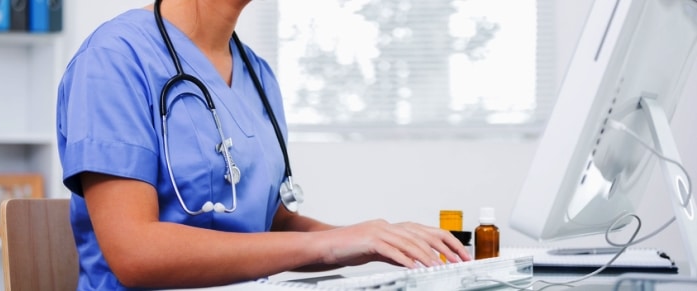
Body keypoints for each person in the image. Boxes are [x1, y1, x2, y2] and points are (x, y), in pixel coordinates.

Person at [56, 0, 471, 289]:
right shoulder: (113, 59)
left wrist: (370, 241)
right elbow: (135, 254)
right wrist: (330, 245)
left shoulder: (257, 74)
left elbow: (273, 225)